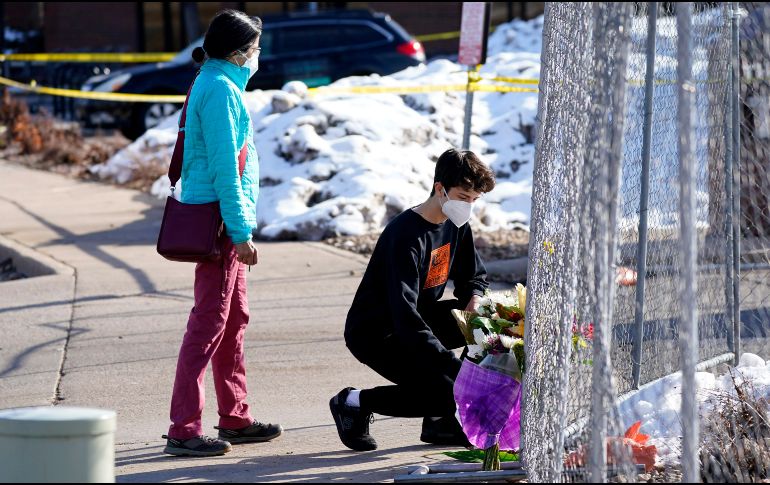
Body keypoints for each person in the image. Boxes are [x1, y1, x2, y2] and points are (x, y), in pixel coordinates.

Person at [161, 9, 281, 457]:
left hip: (222, 223)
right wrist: (240, 231)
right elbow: (226, 171)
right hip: (219, 226)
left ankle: (235, 417)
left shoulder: (215, 83)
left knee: (233, 322)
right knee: (209, 324)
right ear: (237, 52)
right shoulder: (219, 90)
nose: (258, 56)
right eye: (254, 48)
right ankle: (183, 428)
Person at [330, 148, 496, 451]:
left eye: (474, 200)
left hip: (419, 320)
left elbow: (474, 276)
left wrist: (474, 297)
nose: (467, 206)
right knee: (447, 392)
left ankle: (442, 423)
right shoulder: (405, 236)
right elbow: (404, 316)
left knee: (484, 320)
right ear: (439, 189)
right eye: (462, 197)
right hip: (378, 332)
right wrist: (453, 369)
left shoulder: (456, 224)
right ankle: (352, 402)